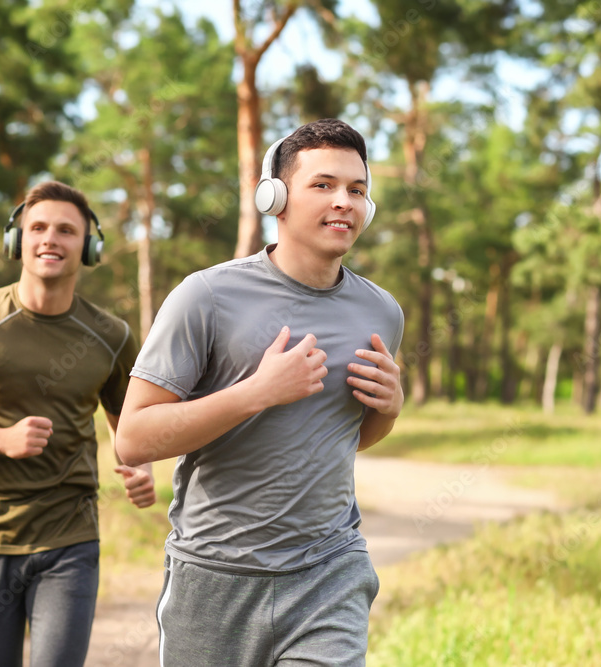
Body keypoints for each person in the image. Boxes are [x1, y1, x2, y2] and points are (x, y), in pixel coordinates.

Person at [115, 118, 404, 666]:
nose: (344, 201)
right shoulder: (205, 296)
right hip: (214, 576)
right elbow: (133, 439)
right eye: (323, 185)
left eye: (357, 190)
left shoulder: (381, 312)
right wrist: (257, 392)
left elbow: (350, 437)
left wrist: (390, 410)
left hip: (329, 570)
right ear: (275, 197)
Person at [0, 180, 156, 667]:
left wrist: (139, 466)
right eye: (37, 228)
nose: (49, 239)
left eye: (66, 230)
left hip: (70, 538)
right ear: (17, 242)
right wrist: (1, 439)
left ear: (89, 247)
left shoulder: (112, 335)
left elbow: (129, 425)